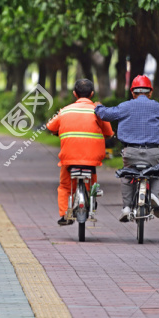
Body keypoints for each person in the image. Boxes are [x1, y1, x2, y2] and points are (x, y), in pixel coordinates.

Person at [94, 75, 159, 222]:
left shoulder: (125, 106)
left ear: (133, 92)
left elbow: (105, 114)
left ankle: (126, 208)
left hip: (130, 153)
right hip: (153, 153)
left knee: (127, 175)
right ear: (150, 92)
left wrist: (98, 106)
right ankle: (153, 196)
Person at [46, 79, 115, 226]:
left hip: (69, 158)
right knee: (91, 177)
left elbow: (50, 127)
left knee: (65, 186)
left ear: (74, 94)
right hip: (92, 158)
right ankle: (92, 198)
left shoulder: (65, 110)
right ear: (92, 94)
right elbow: (109, 133)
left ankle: (65, 214)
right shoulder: (98, 111)